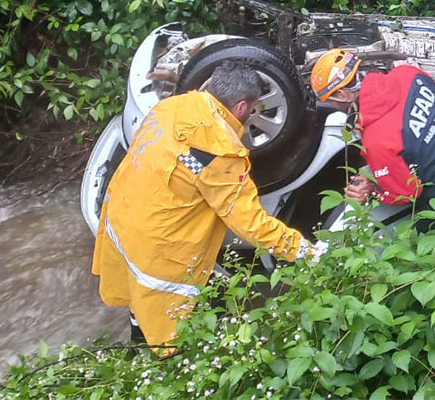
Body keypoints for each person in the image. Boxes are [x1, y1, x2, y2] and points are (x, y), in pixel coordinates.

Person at [92, 61, 318, 347]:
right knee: (170, 328)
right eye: (252, 108)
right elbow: (252, 225)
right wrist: (303, 250)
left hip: (123, 216)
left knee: (141, 305)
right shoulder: (220, 153)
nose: (252, 114)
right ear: (240, 108)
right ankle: (165, 367)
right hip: (158, 250)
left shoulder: (172, 107)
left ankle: (137, 341)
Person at [309, 48, 435, 221]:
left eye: (329, 100)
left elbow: (405, 193)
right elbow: (429, 85)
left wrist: (370, 190)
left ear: (342, 95)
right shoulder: (408, 74)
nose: (332, 107)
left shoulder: (377, 141)